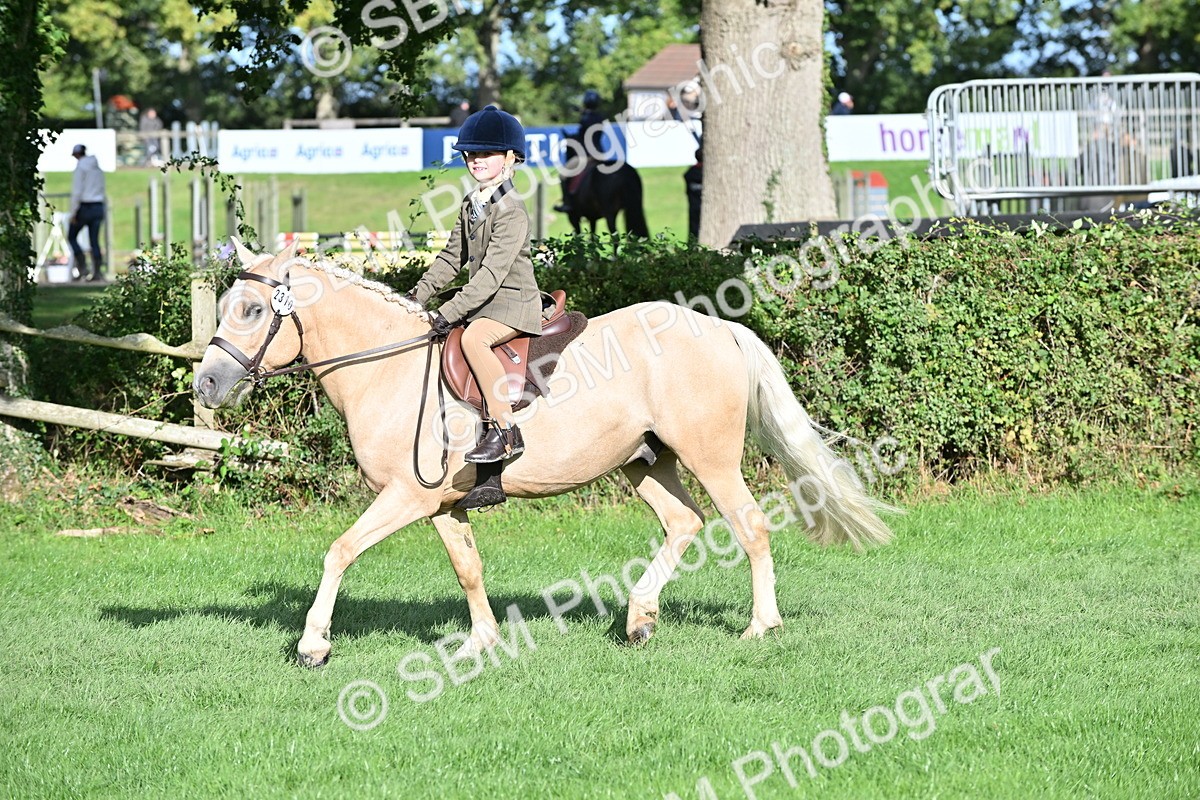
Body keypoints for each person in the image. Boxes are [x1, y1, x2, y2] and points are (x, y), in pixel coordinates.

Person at [408, 105, 542, 482]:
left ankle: (505, 429)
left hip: (513, 304)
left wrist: (447, 312)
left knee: (474, 340)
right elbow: (452, 258)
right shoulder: (472, 204)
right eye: (471, 154)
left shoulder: (511, 210)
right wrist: (416, 297)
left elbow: (490, 275)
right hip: (485, 303)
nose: (476, 160)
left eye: (485, 153)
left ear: (510, 158)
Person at [554, 89, 607, 214]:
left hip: (586, 156)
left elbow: (582, 137)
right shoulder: (600, 117)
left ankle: (567, 203)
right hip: (600, 155)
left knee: (563, 175)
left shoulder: (585, 118)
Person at [67, 144, 106, 282]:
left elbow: (77, 191)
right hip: (98, 205)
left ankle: (83, 269)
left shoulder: (80, 168)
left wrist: (73, 212)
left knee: (72, 236)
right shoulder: (97, 168)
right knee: (94, 241)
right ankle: (97, 272)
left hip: (85, 206)